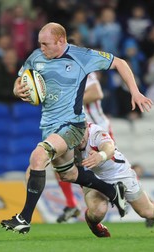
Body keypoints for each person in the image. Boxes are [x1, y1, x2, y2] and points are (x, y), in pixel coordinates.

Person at [0, 22, 152, 234]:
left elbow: (121, 63)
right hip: (49, 126)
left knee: (37, 157)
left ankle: (24, 218)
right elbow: (20, 81)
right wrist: (18, 91)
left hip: (73, 125)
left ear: (61, 41)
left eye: (46, 44)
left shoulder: (82, 56)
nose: (41, 48)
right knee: (68, 175)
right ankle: (111, 190)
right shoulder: (36, 57)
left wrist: (135, 92)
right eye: (39, 43)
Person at [77, 122, 154, 237]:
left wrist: (101, 156)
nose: (79, 139)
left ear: (86, 127)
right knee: (98, 211)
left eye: (81, 133)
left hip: (119, 173)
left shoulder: (96, 133)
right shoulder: (65, 141)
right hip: (93, 176)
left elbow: (109, 148)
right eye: (75, 135)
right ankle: (95, 225)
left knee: (147, 211)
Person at [56, 71, 112, 223]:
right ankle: (71, 204)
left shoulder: (82, 71)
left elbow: (96, 93)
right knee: (59, 161)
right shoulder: (57, 75)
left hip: (97, 129)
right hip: (76, 131)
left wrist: (67, 103)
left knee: (113, 166)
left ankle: (141, 200)